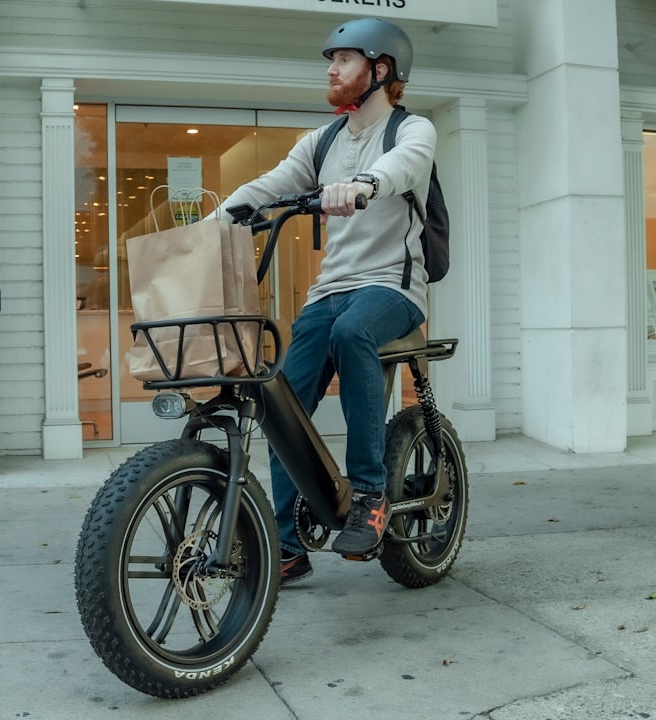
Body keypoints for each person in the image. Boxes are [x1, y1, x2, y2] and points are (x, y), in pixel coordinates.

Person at [220, 17, 436, 585]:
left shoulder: (411, 131)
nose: (331, 68)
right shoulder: (322, 140)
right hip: (331, 290)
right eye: (331, 60)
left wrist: (364, 185)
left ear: (380, 68)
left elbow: (401, 169)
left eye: (342, 59)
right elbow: (273, 182)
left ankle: (369, 495)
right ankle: (288, 547)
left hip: (393, 287)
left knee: (352, 333)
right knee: (278, 401)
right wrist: (219, 219)